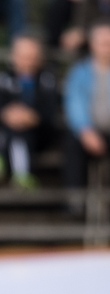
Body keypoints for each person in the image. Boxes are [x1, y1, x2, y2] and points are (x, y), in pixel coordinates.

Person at [0, 34, 58, 189]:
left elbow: (50, 114)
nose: (28, 62)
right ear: (13, 57)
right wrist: (7, 115)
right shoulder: (1, 78)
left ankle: (17, 172)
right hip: (7, 132)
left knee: (20, 131)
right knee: (14, 131)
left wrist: (32, 117)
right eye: (23, 57)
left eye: (32, 57)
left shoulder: (47, 79)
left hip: (38, 135)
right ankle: (17, 173)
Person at [64, 19, 110, 194]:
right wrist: (85, 130)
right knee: (72, 146)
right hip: (87, 133)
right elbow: (75, 104)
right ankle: (75, 202)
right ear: (93, 45)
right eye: (103, 43)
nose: (107, 47)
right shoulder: (79, 72)